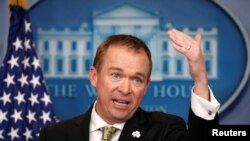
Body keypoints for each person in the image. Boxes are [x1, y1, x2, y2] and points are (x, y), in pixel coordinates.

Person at [39, 29, 220, 141]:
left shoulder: (164, 131)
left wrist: (200, 80)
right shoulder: (55, 135)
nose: (125, 89)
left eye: (137, 79)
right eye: (116, 75)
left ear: (146, 87)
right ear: (94, 77)